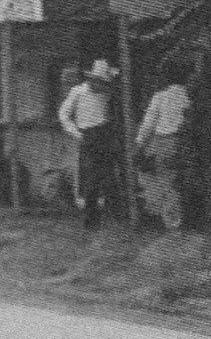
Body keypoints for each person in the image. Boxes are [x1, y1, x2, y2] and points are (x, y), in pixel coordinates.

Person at [58, 59, 121, 230]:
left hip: (105, 134)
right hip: (88, 135)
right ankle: (91, 220)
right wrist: (77, 134)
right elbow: (63, 114)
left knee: (109, 176)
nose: (101, 85)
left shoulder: (107, 93)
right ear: (92, 79)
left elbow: (110, 112)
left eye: (104, 82)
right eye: (99, 81)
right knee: (91, 178)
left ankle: (115, 217)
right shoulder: (77, 92)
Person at [133, 64, 193, 230]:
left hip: (159, 143)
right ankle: (174, 219)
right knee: (173, 181)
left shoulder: (160, 97)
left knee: (157, 179)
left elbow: (148, 125)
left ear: (166, 78)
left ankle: (168, 219)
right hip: (180, 142)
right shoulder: (188, 98)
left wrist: (139, 145)